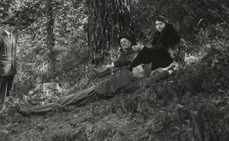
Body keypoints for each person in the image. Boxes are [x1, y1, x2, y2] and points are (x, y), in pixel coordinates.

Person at [16, 48, 181, 117]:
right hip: (95, 90)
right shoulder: (129, 74)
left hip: (96, 94)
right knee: (64, 102)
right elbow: (155, 72)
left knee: (63, 102)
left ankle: (31, 111)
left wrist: (168, 73)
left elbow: (153, 78)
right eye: (137, 66)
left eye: (138, 68)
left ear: (140, 75)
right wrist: (170, 66)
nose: (136, 67)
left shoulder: (134, 83)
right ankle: (34, 109)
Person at [0, 16, 17, 107]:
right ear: (5, 26)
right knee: (2, 91)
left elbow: (13, 53)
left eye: (13, 26)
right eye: (10, 25)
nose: (12, 27)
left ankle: (9, 108)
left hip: (12, 68)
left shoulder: (13, 37)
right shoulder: (0, 38)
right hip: (3, 68)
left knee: (10, 90)